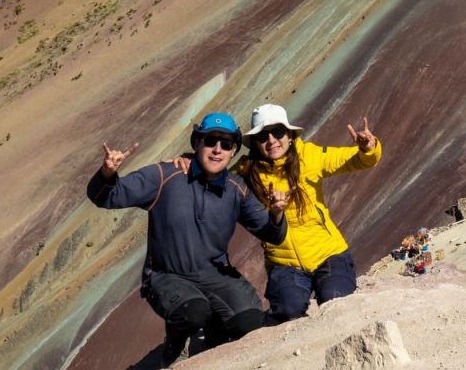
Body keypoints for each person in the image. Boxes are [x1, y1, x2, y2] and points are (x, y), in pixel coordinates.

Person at [87, 113, 289, 367]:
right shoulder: (165, 175)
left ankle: (214, 336)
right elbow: (105, 197)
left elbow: (273, 234)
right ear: (196, 144)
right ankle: (176, 341)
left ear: (234, 151)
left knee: (249, 322)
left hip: (214, 274)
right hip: (166, 275)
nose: (217, 149)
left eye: (226, 144)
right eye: (211, 141)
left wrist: (278, 214)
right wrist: (107, 173)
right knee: (192, 312)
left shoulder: (237, 189)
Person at [170, 103, 381, 323]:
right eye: (263, 136)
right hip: (284, 262)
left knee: (336, 301)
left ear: (289, 135)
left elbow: (358, 160)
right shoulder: (246, 171)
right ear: (255, 143)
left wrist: (368, 148)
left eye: (278, 132)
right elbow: (213, 178)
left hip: (329, 253)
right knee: (288, 312)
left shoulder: (309, 155)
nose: (271, 140)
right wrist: (189, 161)